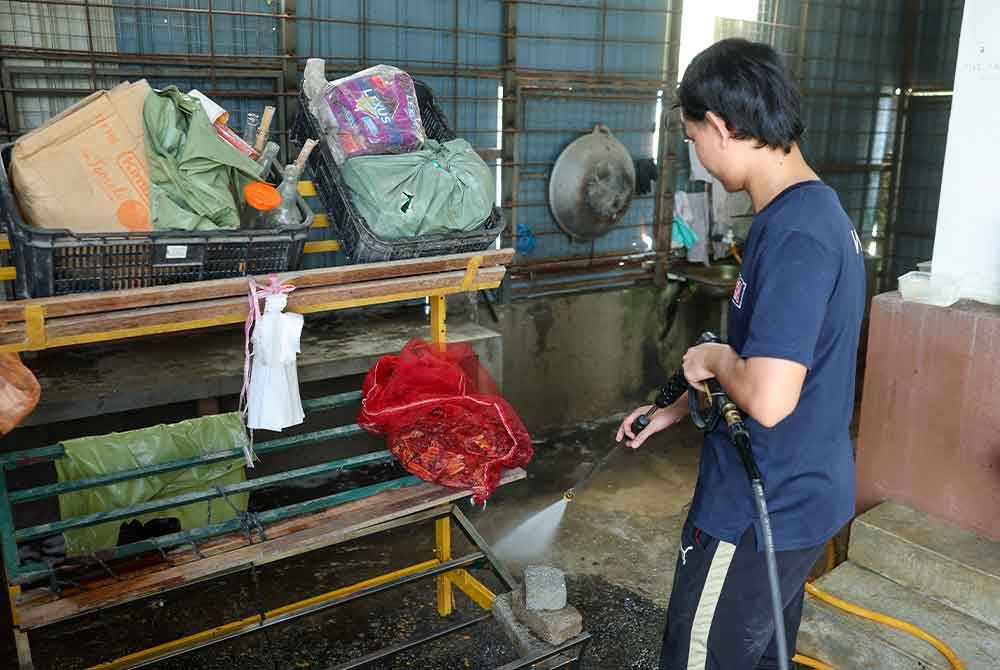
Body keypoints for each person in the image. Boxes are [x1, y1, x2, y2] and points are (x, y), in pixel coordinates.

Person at [617, 39, 866, 670]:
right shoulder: (813, 212)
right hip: (799, 497)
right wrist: (680, 405)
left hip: (759, 512)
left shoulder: (795, 234)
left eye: (693, 138)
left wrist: (714, 359)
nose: (698, 157)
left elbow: (771, 398)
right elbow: (776, 364)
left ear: (721, 126)